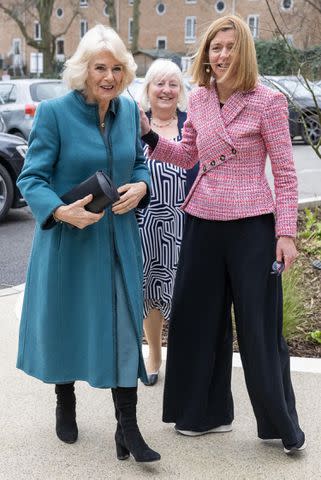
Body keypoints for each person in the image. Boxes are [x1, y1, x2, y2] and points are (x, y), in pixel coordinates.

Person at [140, 15, 306, 455]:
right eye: (215, 47)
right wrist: (151, 139)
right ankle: (203, 414)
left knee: (258, 328)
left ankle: (278, 425)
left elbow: (287, 175)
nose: (222, 55)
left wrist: (285, 233)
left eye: (230, 46)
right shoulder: (198, 100)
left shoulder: (268, 102)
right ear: (206, 54)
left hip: (253, 224)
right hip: (202, 220)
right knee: (196, 321)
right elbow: (188, 153)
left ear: (244, 51)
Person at [16, 24, 160, 463]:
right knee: (68, 323)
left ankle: (128, 429)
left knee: (123, 326)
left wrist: (142, 185)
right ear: (84, 70)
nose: (110, 77)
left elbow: (138, 164)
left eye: (118, 68)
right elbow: (32, 178)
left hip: (118, 240)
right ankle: (65, 399)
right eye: (101, 67)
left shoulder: (129, 112)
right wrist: (60, 211)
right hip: (70, 240)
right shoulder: (55, 113)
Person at [136, 59, 198, 386]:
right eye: (159, 83)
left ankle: (182, 357)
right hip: (144, 224)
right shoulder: (134, 127)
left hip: (183, 225)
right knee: (149, 289)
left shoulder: (191, 124)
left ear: (180, 91)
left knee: (184, 291)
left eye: (173, 84)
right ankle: (155, 352)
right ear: (148, 89)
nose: (166, 90)